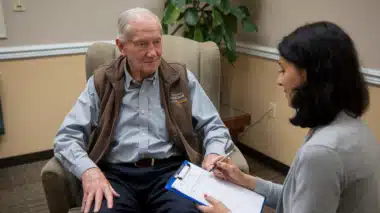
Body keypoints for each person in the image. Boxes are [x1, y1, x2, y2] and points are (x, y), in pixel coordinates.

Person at [53, 7, 233, 213]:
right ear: (121, 46)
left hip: (171, 173)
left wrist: (212, 154)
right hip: (117, 175)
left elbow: (214, 126)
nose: (153, 52)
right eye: (142, 44)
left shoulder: (180, 79)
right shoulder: (102, 82)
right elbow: (66, 137)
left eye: (157, 42)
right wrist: (89, 171)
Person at [198, 21, 380, 213]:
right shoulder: (353, 128)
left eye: (283, 70)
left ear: (310, 76)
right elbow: (294, 197)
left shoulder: (322, 153)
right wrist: (244, 179)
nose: (279, 80)